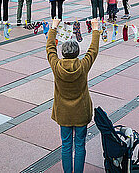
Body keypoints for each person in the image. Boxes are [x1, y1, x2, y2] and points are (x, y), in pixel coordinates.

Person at [46, 18, 100, 173]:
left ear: (62, 53)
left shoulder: (56, 65)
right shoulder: (83, 66)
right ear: (77, 53)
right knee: (80, 144)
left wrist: (53, 28)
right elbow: (93, 50)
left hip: (63, 112)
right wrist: (95, 29)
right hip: (81, 112)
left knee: (66, 145)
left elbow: (50, 48)